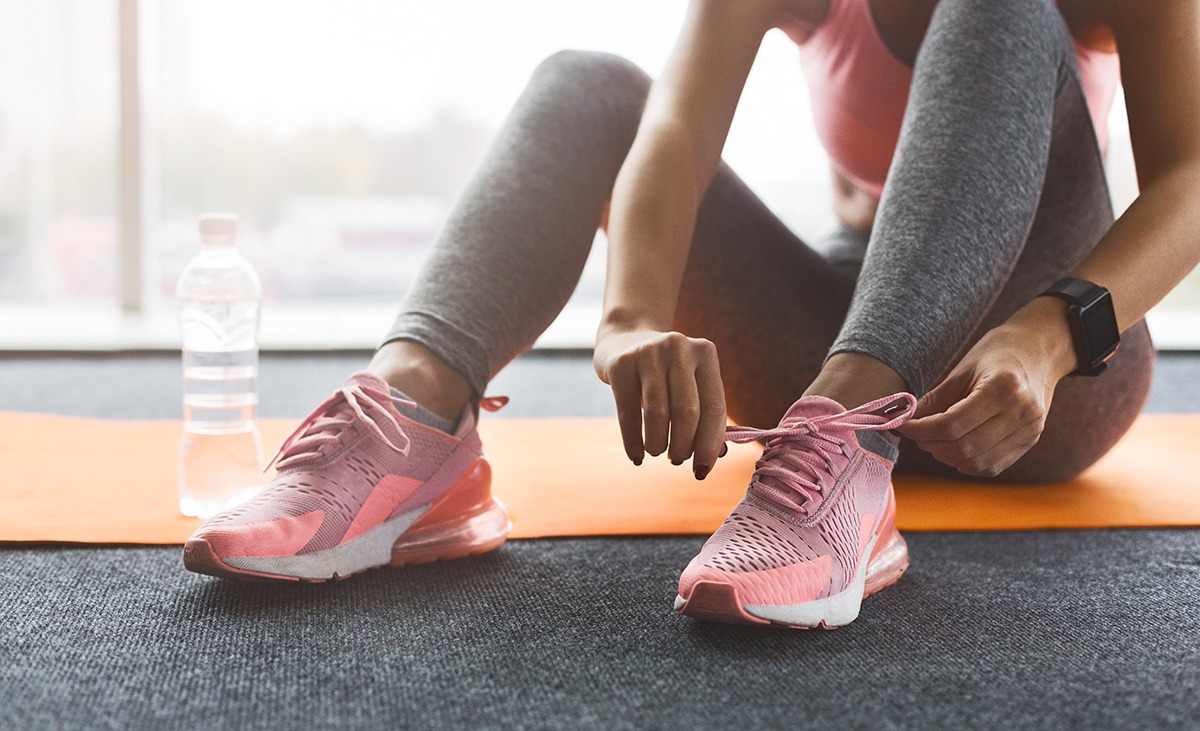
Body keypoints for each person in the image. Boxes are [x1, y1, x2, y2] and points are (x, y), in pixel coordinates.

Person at [182, 0, 1198, 628]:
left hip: (1039, 376)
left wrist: (1053, 332)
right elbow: (668, 128)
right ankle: (416, 428)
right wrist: (628, 315)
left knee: (998, 5)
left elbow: (1193, 172)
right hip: (822, 340)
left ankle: (848, 459)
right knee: (589, 85)